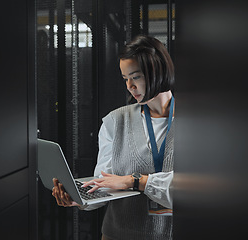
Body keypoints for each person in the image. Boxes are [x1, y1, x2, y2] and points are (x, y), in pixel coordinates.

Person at [52, 35, 175, 240]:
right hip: (118, 234)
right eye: (125, 78)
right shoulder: (114, 121)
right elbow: (106, 181)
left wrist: (134, 181)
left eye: (135, 77)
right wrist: (80, 197)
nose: (129, 86)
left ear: (157, 71)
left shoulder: (197, 120)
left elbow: (196, 187)